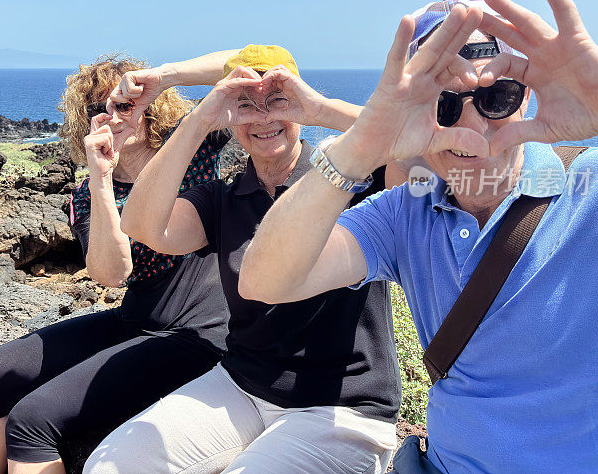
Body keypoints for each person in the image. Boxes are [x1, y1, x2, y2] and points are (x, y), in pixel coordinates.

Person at [240, 0, 598, 473]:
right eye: (444, 105)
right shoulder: (406, 214)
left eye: (496, 97)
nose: (472, 126)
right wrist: (359, 147)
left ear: (527, 95)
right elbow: (265, 280)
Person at [84, 45, 401, 474]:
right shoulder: (226, 199)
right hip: (243, 387)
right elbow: (142, 226)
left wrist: (320, 109)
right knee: (109, 466)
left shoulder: (349, 178)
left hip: (342, 406)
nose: (264, 117)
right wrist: (199, 119)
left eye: (277, 101)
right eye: (246, 105)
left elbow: (412, 144)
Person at [0, 51, 240, 474]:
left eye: (124, 103)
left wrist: (160, 77)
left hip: (201, 332)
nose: (112, 115)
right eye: (98, 108)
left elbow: (256, 65)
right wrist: (102, 176)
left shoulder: (192, 146)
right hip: (136, 321)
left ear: (149, 108)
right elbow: (112, 274)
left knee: (32, 421)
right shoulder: (88, 191)